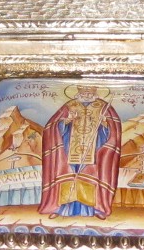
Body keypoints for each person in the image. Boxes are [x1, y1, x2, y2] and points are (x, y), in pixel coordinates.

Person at [38, 83, 122, 219]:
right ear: (79, 92)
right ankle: (61, 208)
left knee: (91, 176)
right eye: (84, 92)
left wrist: (105, 124)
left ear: (95, 92)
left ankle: (95, 209)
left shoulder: (104, 107)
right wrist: (66, 121)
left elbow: (114, 131)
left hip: (95, 149)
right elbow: (52, 127)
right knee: (68, 175)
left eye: (90, 92)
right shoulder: (69, 106)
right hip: (69, 148)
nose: (87, 94)